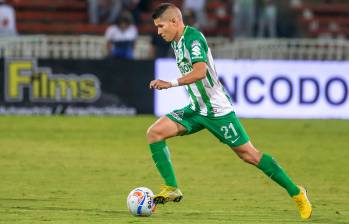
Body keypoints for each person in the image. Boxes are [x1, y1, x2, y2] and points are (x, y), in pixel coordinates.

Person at [147, 3, 312, 220]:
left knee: (250, 155)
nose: (159, 32)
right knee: (154, 133)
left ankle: (297, 193)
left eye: (160, 26)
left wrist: (170, 83)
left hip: (217, 111)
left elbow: (200, 72)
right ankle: (172, 188)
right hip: (196, 108)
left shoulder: (192, 39)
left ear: (174, 22)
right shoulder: (176, 43)